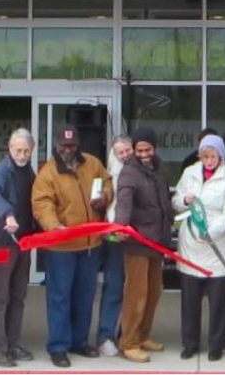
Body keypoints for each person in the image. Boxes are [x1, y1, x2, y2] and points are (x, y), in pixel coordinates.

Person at [31, 126, 114, 368]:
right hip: (62, 247)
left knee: (85, 296)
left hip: (90, 244)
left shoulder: (92, 163)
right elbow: (41, 203)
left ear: (78, 145)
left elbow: (108, 182)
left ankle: (79, 341)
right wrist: (52, 225)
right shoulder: (48, 173)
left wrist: (105, 196)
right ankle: (58, 346)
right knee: (59, 297)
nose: (68, 150)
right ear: (56, 145)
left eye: (72, 145)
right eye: (64, 146)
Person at [174, 135, 225, 362]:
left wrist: (210, 231)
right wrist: (184, 199)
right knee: (190, 302)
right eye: (205, 156)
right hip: (192, 247)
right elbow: (175, 201)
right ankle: (190, 343)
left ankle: (216, 345)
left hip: (217, 247)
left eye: (213, 156)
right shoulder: (189, 173)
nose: (209, 160)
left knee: (218, 302)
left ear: (221, 156)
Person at [113, 128, 173, 363]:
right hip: (138, 242)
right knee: (136, 295)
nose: (144, 153)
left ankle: (143, 335)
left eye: (148, 149)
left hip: (157, 242)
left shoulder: (159, 169)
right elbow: (124, 201)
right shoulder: (130, 172)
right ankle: (128, 342)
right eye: (139, 150)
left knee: (154, 292)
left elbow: (163, 201)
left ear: (154, 148)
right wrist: (120, 226)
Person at [0, 129, 39, 367]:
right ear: (10, 149)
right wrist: (7, 214)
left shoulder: (30, 172)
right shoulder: (0, 170)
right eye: (18, 150)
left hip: (24, 242)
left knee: (18, 297)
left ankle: (13, 344)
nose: (22, 154)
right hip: (2, 242)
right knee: (0, 297)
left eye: (26, 150)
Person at [95, 136, 132, 357]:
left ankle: (129, 335)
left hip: (138, 238)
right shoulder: (106, 176)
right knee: (114, 287)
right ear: (114, 155)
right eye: (121, 152)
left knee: (136, 290)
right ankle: (105, 336)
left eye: (128, 150)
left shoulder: (142, 171)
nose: (125, 155)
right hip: (114, 239)